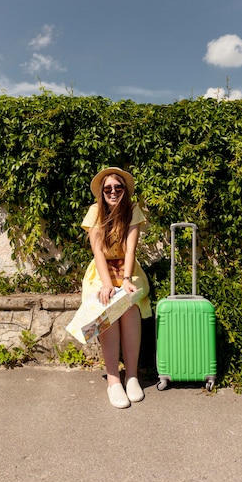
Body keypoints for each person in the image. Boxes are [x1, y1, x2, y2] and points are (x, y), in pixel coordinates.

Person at [81, 167, 152, 408]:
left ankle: (131, 376)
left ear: (124, 190)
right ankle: (113, 380)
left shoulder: (132, 211)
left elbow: (131, 249)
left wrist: (127, 279)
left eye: (118, 188)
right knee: (107, 306)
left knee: (129, 304)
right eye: (108, 188)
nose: (113, 192)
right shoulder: (95, 212)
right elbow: (98, 252)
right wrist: (108, 284)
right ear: (102, 192)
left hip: (128, 269)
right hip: (101, 271)